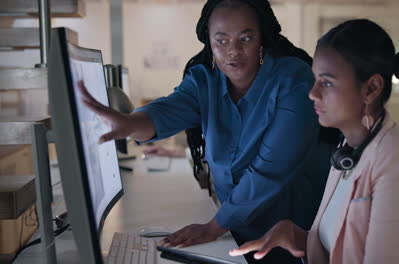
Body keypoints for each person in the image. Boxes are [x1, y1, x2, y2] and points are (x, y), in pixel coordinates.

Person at [79, 0, 337, 262]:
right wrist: (130, 124)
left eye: (245, 38)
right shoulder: (205, 79)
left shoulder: (293, 80)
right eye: (221, 41)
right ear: (210, 44)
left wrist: (214, 226)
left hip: (293, 234)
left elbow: (269, 171)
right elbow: (170, 109)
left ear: (262, 39)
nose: (233, 51)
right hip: (236, 229)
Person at [229, 19, 399, 264]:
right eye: (315, 80)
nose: (312, 93)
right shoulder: (347, 151)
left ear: (371, 88)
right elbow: (343, 249)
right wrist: (298, 236)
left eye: (327, 82)